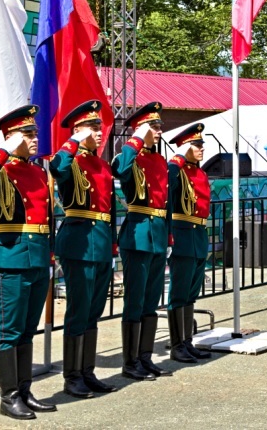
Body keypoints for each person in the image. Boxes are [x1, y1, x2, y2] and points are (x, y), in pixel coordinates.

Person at [0, 105, 58, 420]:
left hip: (36, 257)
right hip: (11, 258)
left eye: (35, 132)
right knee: (9, 331)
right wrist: (2, 150)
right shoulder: (0, 169)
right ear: (10, 137)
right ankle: (8, 398)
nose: (35, 138)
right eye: (28, 133)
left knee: (27, 331)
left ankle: (24, 390)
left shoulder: (36, 170)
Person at [50, 100, 118, 398]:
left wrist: (112, 243)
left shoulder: (101, 164)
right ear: (78, 131)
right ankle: (72, 376)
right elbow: (56, 168)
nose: (100, 132)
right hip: (79, 241)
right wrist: (72, 142)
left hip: (101, 241)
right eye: (93, 127)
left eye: (99, 126)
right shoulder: (70, 159)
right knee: (78, 310)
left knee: (94, 311)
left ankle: (87, 371)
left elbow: (111, 206)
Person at [112, 103, 172, 380]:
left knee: (151, 300)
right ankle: (130, 361)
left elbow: (166, 202)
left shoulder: (159, 160)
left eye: (159, 126)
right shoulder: (130, 157)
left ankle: (145, 357)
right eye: (154, 127)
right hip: (137, 234)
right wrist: (135, 139)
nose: (159, 131)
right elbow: (119, 170)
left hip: (157, 234)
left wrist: (168, 234)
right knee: (135, 300)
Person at [166, 123, 212, 363]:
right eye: (196, 145)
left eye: (202, 144)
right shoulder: (176, 170)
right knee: (179, 292)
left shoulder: (200, 173)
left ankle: (186, 341)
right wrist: (177, 158)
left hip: (198, 235)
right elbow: (167, 183)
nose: (201, 148)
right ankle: (176, 345)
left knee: (191, 292)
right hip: (182, 233)